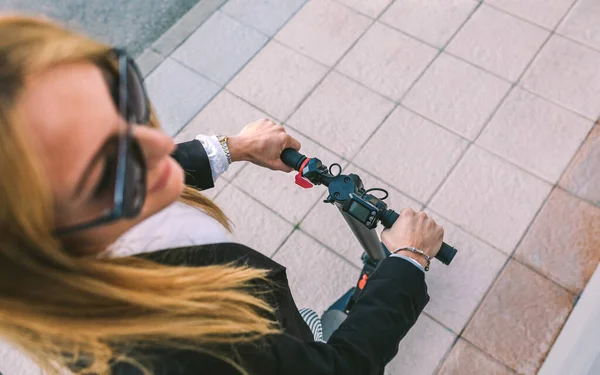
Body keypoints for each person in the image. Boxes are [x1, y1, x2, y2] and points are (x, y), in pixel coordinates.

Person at [0, 15, 445, 375]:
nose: (158, 145)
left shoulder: (105, 216)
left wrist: (235, 147)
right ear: (32, 246)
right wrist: (407, 262)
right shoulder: (186, 349)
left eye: (120, 99)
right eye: (103, 167)